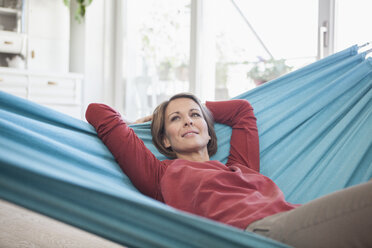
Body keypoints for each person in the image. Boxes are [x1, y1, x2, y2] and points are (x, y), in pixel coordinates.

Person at [86, 92, 372, 248]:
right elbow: (98, 112)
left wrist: (198, 104)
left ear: (209, 133)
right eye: (176, 119)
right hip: (259, 234)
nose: (188, 122)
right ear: (164, 139)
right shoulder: (160, 175)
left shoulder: (240, 167)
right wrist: (148, 121)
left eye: (194, 116)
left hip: (295, 218)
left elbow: (241, 111)